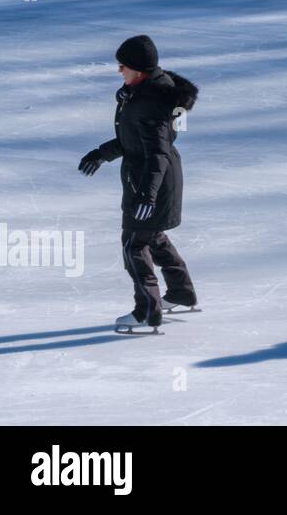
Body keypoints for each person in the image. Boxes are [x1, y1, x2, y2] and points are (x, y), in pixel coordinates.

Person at [78, 36, 200, 334]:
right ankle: (181, 292)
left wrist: (147, 196)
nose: (119, 71)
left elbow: (156, 152)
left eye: (123, 66)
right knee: (152, 236)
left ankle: (147, 310)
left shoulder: (150, 102)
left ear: (139, 70)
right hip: (155, 180)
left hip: (150, 182)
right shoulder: (142, 93)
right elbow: (133, 140)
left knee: (134, 244)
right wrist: (101, 154)